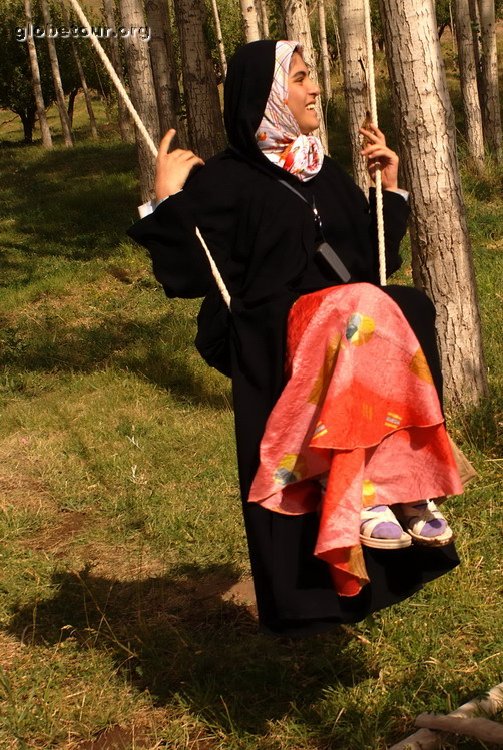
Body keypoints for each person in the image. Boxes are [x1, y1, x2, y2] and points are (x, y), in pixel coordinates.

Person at [127, 40, 461, 636]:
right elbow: (183, 278)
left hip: (346, 329)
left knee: (406, 302)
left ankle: (400, 488)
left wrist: (390, 190)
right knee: (361, 304)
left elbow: (369, 262)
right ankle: (374, 490)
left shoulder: (324, 170)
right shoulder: (224, 181)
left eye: (311, 77)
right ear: (267, 97)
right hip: (275, 336)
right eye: (301, 78)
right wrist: (164, 200)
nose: (315, 89)